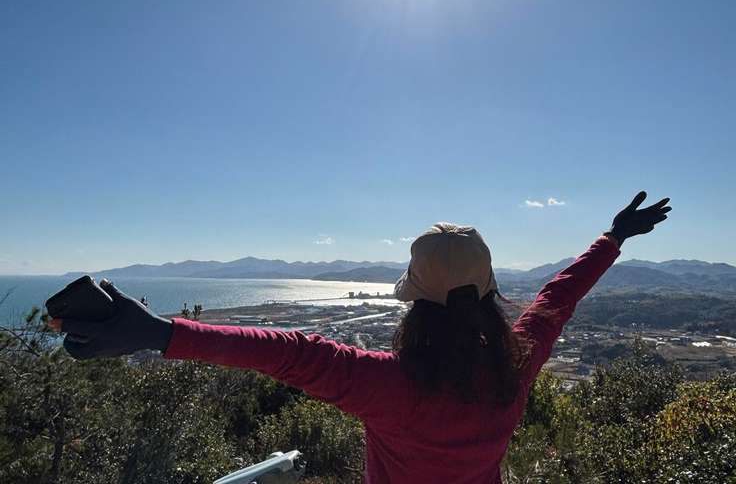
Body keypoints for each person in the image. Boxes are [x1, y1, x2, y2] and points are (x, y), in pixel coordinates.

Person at [50, 191, 671, 483]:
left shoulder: (389, 385)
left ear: (415, 302)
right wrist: (613, 237)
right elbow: (558, 298)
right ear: (487, 293)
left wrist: (159, 333)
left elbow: (287, 354)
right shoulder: (517, 360)